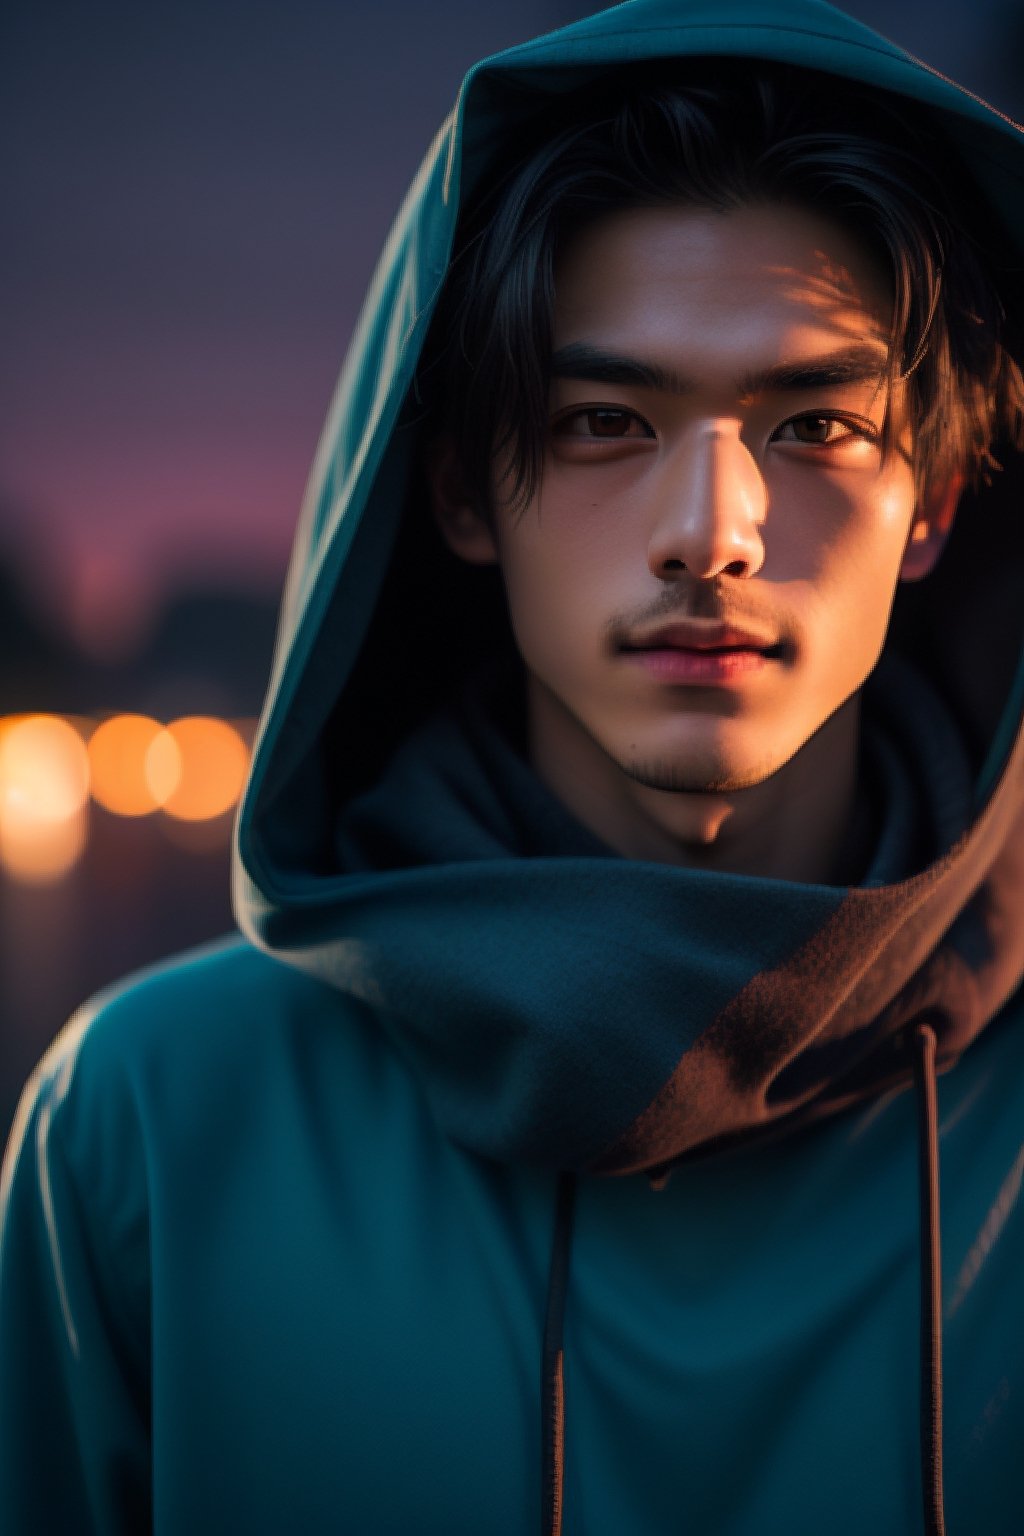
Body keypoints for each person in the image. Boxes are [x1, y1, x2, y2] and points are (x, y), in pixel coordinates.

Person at [2, 1, 1023, 1531]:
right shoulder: (153, 1126)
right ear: (467, 487)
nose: (714, 531)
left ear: (933, 504)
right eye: (609, 420)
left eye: (816, 422)